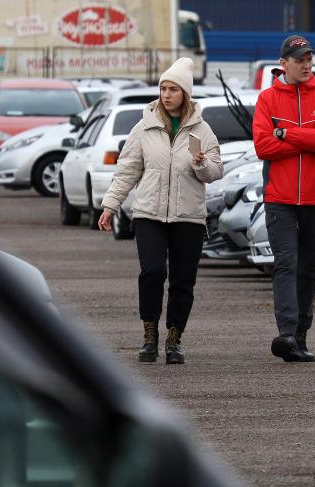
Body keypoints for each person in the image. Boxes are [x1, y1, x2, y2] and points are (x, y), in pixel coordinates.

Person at [98, 57, 223, 364]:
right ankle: (150, 335)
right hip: (149, 214)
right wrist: (110, 205)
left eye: (173, 89)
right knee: (152, 272)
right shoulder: (144, 127)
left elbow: (216, 171)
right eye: (163, 88)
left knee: (183, 281)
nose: (166, 95)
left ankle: (174, 339)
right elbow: (127, 170)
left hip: (188, 217)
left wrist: (202, 163)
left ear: (185, 94)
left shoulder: (202, 130)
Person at [252, 35, 315, 362]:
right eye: (299, 59)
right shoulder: (267, 100)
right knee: (286, 265)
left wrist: (286, 133)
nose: (306, 64)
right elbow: (264, 147)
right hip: (280, 198)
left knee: (308, 268)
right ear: (284, 63)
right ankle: (287, 334)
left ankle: (302, 335)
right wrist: (310, 135)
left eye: (309, 59)